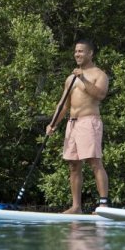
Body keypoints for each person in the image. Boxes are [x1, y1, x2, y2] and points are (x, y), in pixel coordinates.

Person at [45, 39, 110, 214]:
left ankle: (103, 205)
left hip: (89, 121)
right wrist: (52, 124)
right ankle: (76, 207)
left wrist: (83, 79)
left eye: (81, 51)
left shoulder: (99, 75)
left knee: (94, 162)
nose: (77, 54)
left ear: (90, 53)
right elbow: (63, 105)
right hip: (72, 124)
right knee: (73, 165)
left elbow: (100, 94)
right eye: (75, 51)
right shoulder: (70, 78)